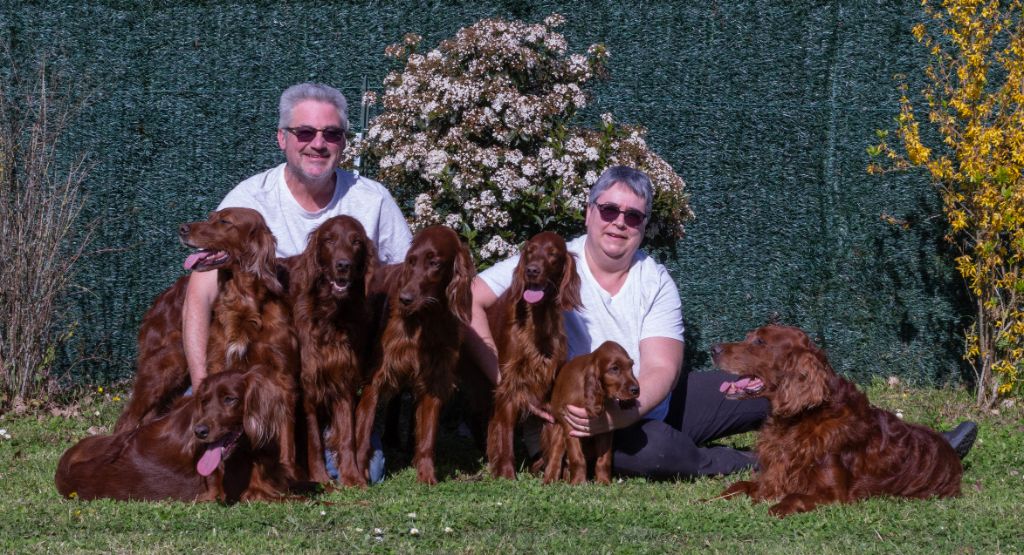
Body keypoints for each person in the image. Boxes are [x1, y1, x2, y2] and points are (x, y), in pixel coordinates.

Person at [469, 165, 977, 479]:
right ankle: (762, 464)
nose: (619, 223)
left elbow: (663, 369)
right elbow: (469, 299)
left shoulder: (655, 280)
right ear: (589, 212)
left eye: (633, 216)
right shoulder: (556, 260)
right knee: (661, 454)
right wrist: (505, 382)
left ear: (644, 226)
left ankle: (912, 438)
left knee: (779, 388)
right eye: (609, 209)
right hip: (582, 423)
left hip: (645, 404)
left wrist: (624, 412)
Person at [183, 82, 412, 483]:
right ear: (282, 138)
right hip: (258, 379)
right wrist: (205, 388)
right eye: (305, 132)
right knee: (185, 452)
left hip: (337, 376)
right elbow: (199, 296)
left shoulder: (372, 200)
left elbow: (406, 284)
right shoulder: (250, 199)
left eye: (332, 134)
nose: (318, 144)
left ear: (344, 143)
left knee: (361, 473)